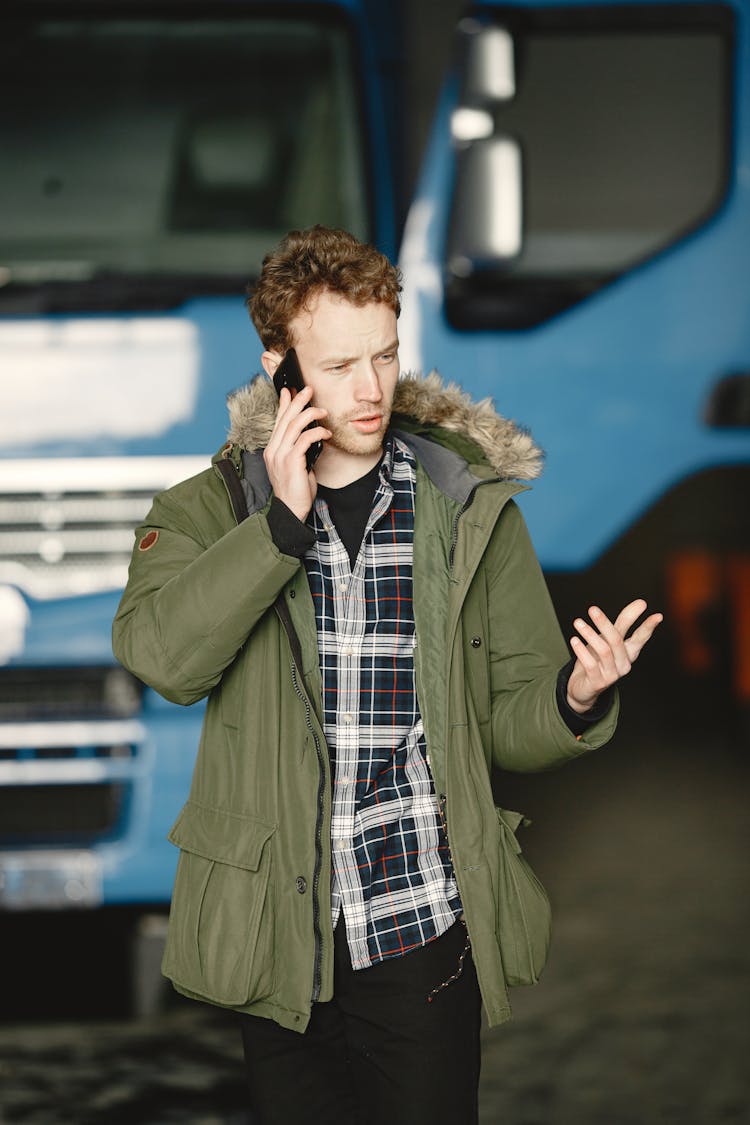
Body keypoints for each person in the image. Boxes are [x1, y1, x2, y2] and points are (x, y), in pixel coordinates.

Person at [112, 226, 662, 1125]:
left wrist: (574, 696)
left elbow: (507, 721)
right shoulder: (211, 509)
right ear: (280, 367)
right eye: (337, 365)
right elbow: (162, 659)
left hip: (418, 926)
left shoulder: (470, 509)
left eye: (386, 354)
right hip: (276, 933)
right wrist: (279, 531)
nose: (371, 389)